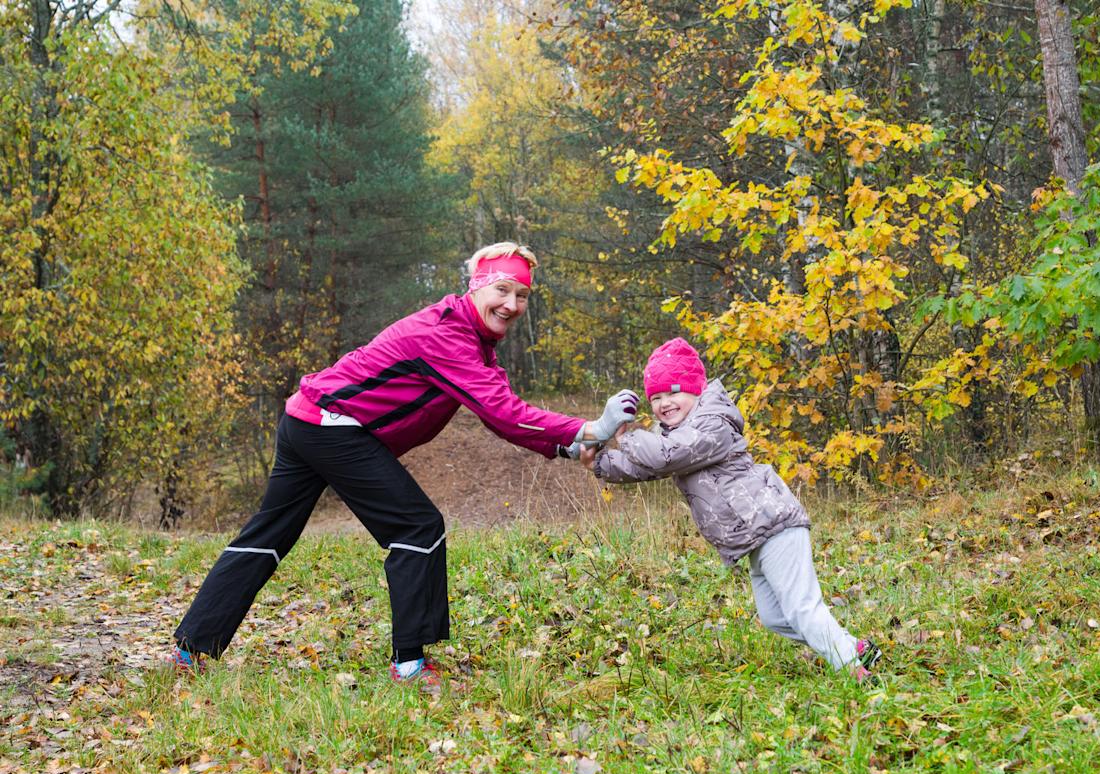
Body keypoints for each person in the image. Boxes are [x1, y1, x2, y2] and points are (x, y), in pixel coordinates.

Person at [171, 242, 639, 685]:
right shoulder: (447, 337)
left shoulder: (471, 342)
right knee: (417, 528)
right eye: (502, 290)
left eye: (521, 295)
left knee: (270, 533)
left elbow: (499, 414)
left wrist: (570, 446)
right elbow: (503, 412)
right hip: (332, 426)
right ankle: (410, 663)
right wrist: (590, 428)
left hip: (307, 419)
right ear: (476, 287)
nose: (512, 304)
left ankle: (193, 648)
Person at [577, 338, 881, 681]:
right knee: (775, 618)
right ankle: (852, 647)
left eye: (673, 392)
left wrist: (622, 434)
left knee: (801, 608)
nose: (664, 404)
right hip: (753, 538)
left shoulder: (713, 423)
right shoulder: (675, 435)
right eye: (656, 398)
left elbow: (665, 454)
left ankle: (855, 672)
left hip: (774, 524)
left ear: (695, 389)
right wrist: (597, 463)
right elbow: (644, 466)